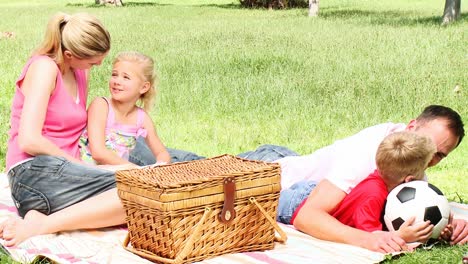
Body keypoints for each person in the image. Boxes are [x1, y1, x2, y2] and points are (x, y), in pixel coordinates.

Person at [240, 105, 467, 249]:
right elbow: (306, 216)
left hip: (301, 166)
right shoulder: (370, 155)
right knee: (206, 173)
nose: (429, 158)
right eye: (428, 144)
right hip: (272, 174)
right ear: (411, 127)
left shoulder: (411, 157)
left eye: (439, 155)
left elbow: (412, 208)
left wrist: (448, 223)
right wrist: (369, 239)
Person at [0, 12, 132, 247]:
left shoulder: (80, 70)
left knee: (142, 196)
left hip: (65, 176)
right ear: (70, 55)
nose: (99, 65)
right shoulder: (44, 69)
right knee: (136, 192)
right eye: (93, 61)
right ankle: (42, 225)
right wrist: (81, 167)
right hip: (33, 173)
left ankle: (43, 219)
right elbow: (29, 140)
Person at [281, 132, 437, 249]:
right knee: (263, 193)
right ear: (408, 179)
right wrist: (400, 236)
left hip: (313, 190)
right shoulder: (373, 195)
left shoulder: (388, 183)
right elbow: (371, 237)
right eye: (424, 170)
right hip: (296, 203)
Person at [79, 51, 170, 166]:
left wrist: (160, 166)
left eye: (126, 77)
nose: (117, 81)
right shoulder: (101, 106)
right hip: (88, 173)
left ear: (143, 87)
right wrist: (134, 170)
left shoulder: (142, 118)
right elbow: (98, 152)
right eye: (114, 75)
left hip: (117, 175)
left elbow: (162, 152)